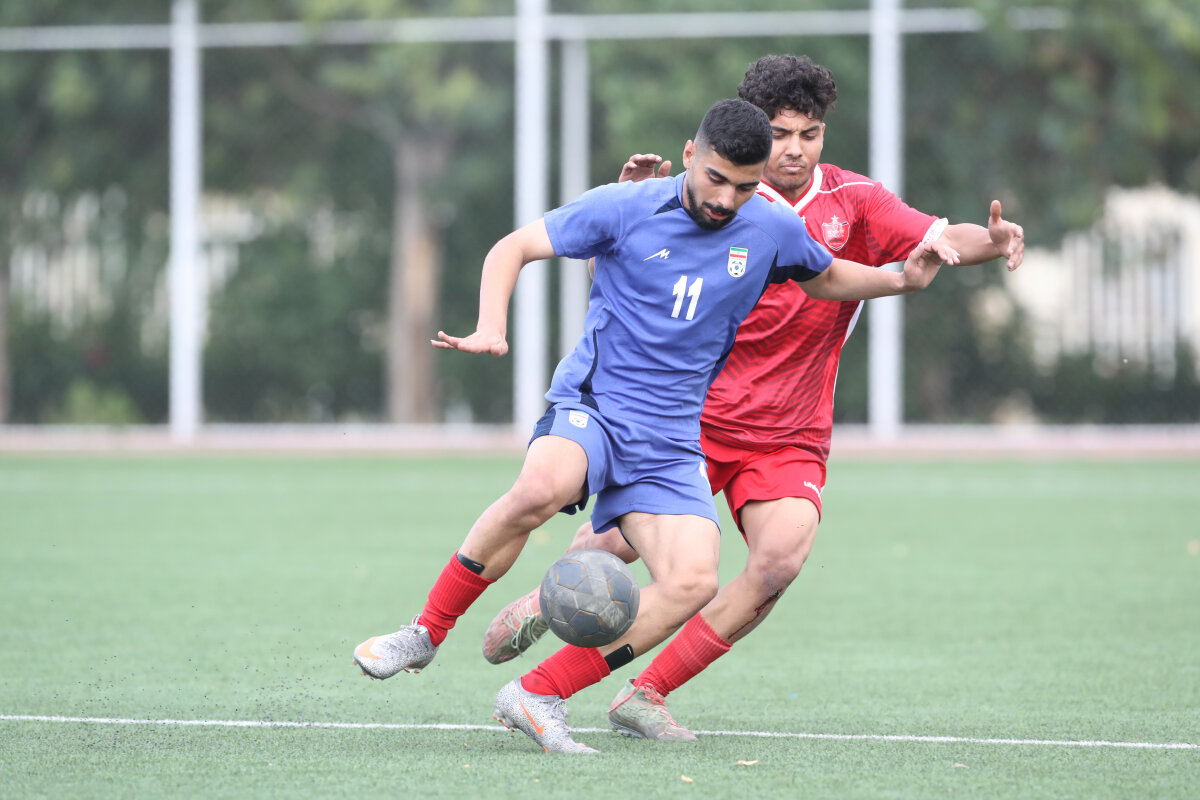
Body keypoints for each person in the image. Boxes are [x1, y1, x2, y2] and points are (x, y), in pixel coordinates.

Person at [352, 98, 956, 754]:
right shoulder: (627, 205)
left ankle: (537, 693)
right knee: (541, 488)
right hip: (596, 405)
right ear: (691, 155)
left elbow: (827, 276)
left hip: (670, 439)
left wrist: (902, 280)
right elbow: (514, 247)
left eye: (744, 186)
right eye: (715, 178)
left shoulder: (771, 225)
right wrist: (491, 325)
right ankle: (424, 633)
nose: (725, 200)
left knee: (693, 581)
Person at [479, 54, 1026, 742]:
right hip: (693, 419)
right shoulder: (719, 193)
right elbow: (630, 272)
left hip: (789, 431)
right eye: (781, 134)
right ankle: (550, 599)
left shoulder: (855, 201)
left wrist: (991, 241)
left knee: (778, 563)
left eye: (810, 134)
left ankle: (645, 693)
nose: (794, 150)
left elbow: (939, 239)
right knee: (610, 547)